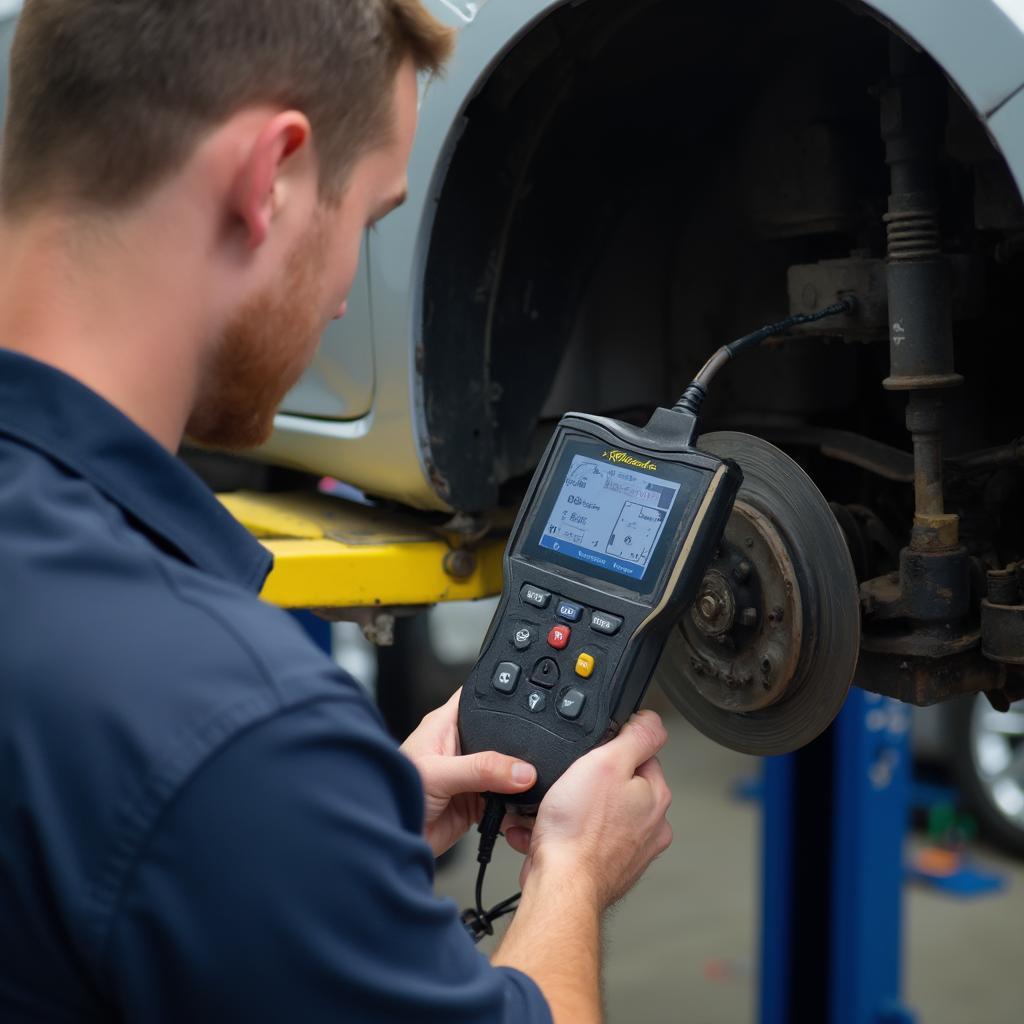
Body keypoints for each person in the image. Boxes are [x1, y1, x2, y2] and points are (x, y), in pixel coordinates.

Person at [0, 2, 674, 1021]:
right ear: (269, 176)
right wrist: (574, 871)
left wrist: (334, 831)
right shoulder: (229, 726)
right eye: (365, 217)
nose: (346, 292)